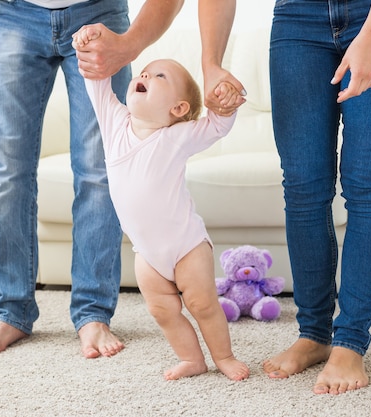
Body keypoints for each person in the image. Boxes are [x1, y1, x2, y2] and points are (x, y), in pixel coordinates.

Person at [0, 0, 184, 360]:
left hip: (99, 13)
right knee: (8, 171)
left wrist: (130, 44)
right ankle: (10, 312)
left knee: (98, 170)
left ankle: (92, 313)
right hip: (14, 17)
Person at [261, 0, 371, 395]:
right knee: (303, 185)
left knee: (368, 181)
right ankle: (314, 334)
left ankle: (350, 341)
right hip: (296, 15)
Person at [72, 38, 249, 380]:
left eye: (159, 77)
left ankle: (224, 357)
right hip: (148, 254)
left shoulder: (177, 136)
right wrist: (89, 45)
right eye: (144, 73)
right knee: (162, 310)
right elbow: (95, 80)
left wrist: (225, 101)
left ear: (179, 109)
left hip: (187, 246)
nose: (146, 75)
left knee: (201, 305)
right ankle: (192, 359)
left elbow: (217, 126)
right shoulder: (114, 124)